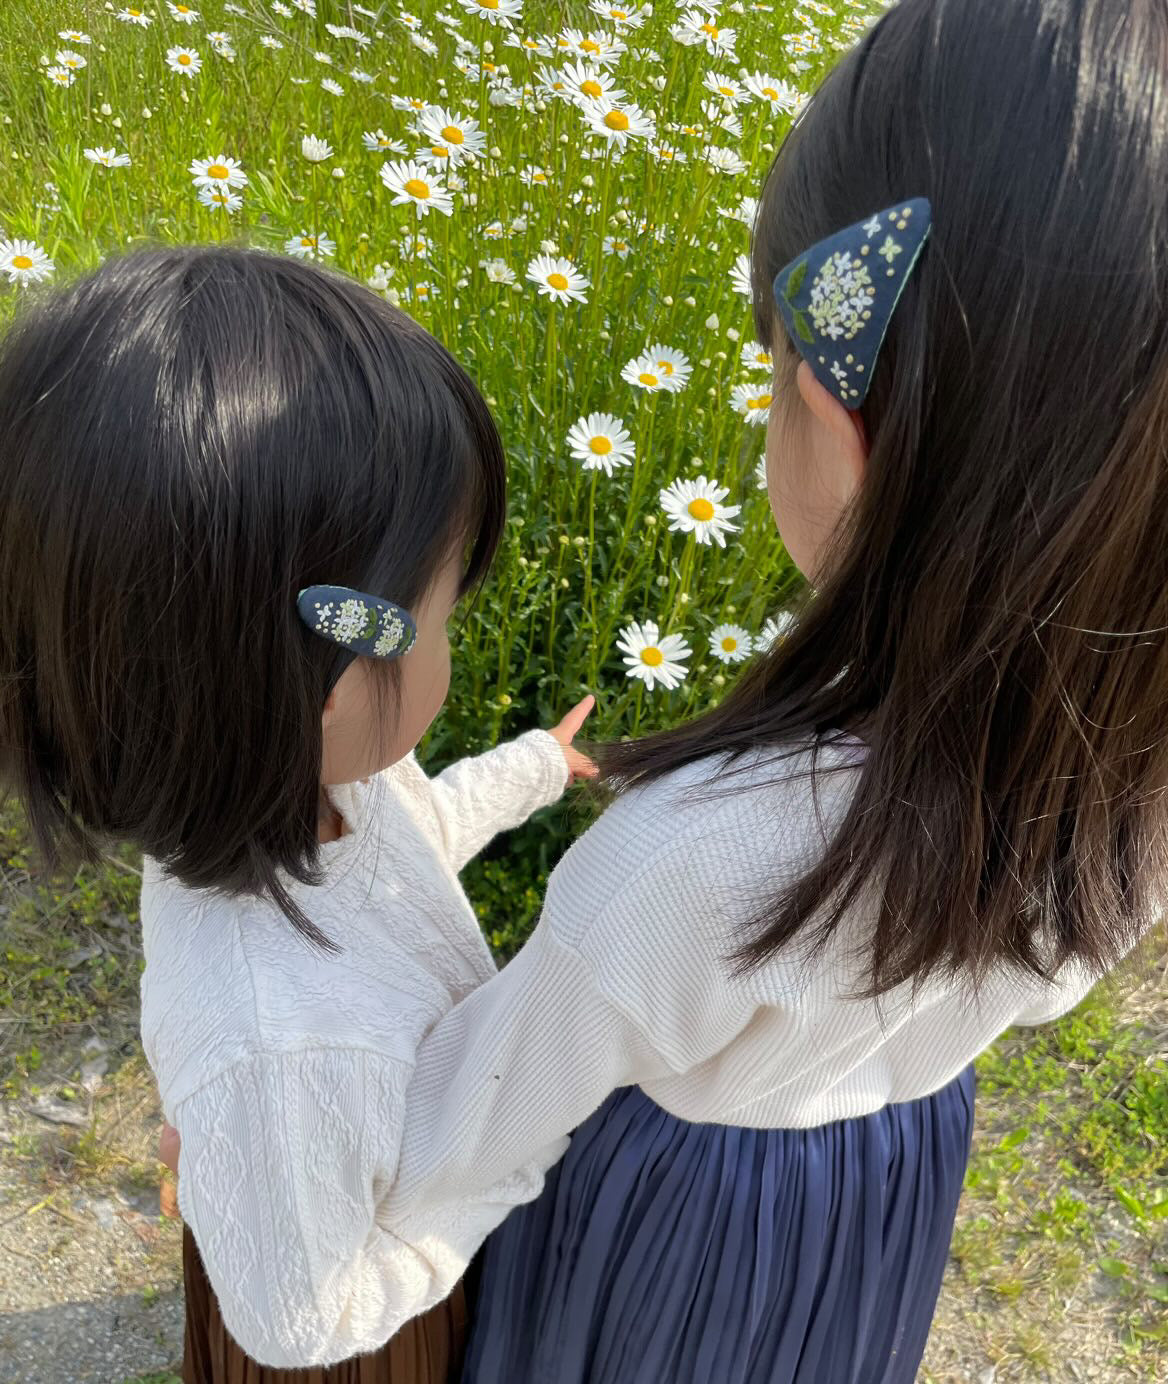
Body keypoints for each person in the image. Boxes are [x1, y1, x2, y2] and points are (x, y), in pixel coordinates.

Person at [359, 0, 1166, 1379]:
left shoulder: (691, 859)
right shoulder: (1134, 784)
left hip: (675, 1222)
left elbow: (466, 1137)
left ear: (846, 435)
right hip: (878, 1192)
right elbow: (1038, 990)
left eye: (769, 363)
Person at [0, 244, 596, 1379]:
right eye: (443, 610)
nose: (454, 636)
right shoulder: (281, 1039)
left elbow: (410, 854)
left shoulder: (307, 788)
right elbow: (297, 1320)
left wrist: (530, 769)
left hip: (329, 1206)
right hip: (362, 1331)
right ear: (312, 682)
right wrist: (483, 1188)